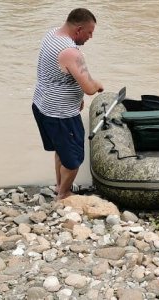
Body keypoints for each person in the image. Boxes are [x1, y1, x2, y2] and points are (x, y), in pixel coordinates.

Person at [32, 8, 104, 200]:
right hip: (60, 114)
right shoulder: (71, 52)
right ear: (79, 29)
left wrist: (77, 99)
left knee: (61, 151)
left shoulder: (52, 34)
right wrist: (97, 84)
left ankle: (59, 186)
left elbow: (60, 75)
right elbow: (89, 87)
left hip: (43, 105)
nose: (90, 37)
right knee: (73, 160)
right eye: (89, 32)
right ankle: (64, 194)